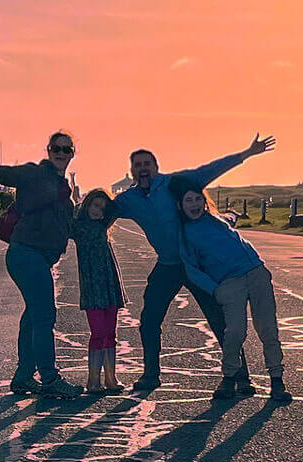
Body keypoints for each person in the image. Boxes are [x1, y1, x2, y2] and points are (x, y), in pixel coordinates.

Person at [110, 135, 277, 392]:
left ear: (156, 167)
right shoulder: (129, 200)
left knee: (219, 317)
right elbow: (99, 210)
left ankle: (240, 376)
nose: (143, 169)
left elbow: (210, 169)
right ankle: (151, 375)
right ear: (132, 171)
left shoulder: (175, 183)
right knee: (150, 319)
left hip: (198, 265)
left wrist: (246, 153)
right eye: (138, 165)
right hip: (167, 265)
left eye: (148, 164)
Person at [0, 130, 83, 399]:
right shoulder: (33, 174)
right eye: (56, 148)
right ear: (48, 150)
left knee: (33, 318)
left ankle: (23, 376)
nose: (60, 153)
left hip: (37, 258)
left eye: (66, 149)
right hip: (26, 254)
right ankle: (49, 378)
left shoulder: (63, 191)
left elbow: (70, 228)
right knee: (45, 315)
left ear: (72, 154)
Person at [167, 176, 291, 404]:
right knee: (234, 332)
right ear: (180, 206)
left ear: (204, 202)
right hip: (229, 283)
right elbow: (191, 269)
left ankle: (277, 380)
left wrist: (234, 215)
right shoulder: (185, 234)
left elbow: (232, 218)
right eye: (188, 201)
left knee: (268, 329)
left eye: (197, 199)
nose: (194, 204)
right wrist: (215, 290)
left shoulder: (217, 220)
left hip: (256, 272)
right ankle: (229, 377)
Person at [71, 190, 124, 393]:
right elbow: (67, 213)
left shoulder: (104, 225)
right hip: (92, 286)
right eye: (95, 205)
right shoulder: (78, 227)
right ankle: (93, 380)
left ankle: (111, 378)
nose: (98, 210)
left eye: (102, 208)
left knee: (110, 333)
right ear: (87, 205)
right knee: (98, 332)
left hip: (110, 284)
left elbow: (118, 207)